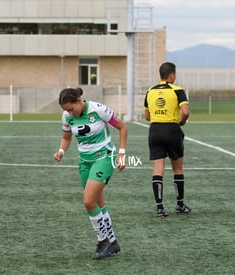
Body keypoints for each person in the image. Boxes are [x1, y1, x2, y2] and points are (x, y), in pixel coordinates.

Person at [53, 87, 128, 259]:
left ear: (79, 100)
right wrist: (61, 152)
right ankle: (113, 242)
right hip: (84, 162)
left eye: (71, 109)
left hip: (105, 157)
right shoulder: (67, 116)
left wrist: (122, 154)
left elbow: (122, 128)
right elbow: (66, 138)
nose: (70, 114)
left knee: (88, 202)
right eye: (66, 111)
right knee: (97, 203)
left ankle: (103, 242)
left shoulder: (99, 109)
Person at [144, 62, 191, 217]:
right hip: (171, 130)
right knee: (177, 169)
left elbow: (147, 116)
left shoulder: (150, 91)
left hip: (155, 130)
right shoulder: (177, 90)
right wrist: (181, 122)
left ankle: (159, 208)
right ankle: (180, 205)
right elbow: (185, 112)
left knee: (158, 170)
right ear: (171, 75)